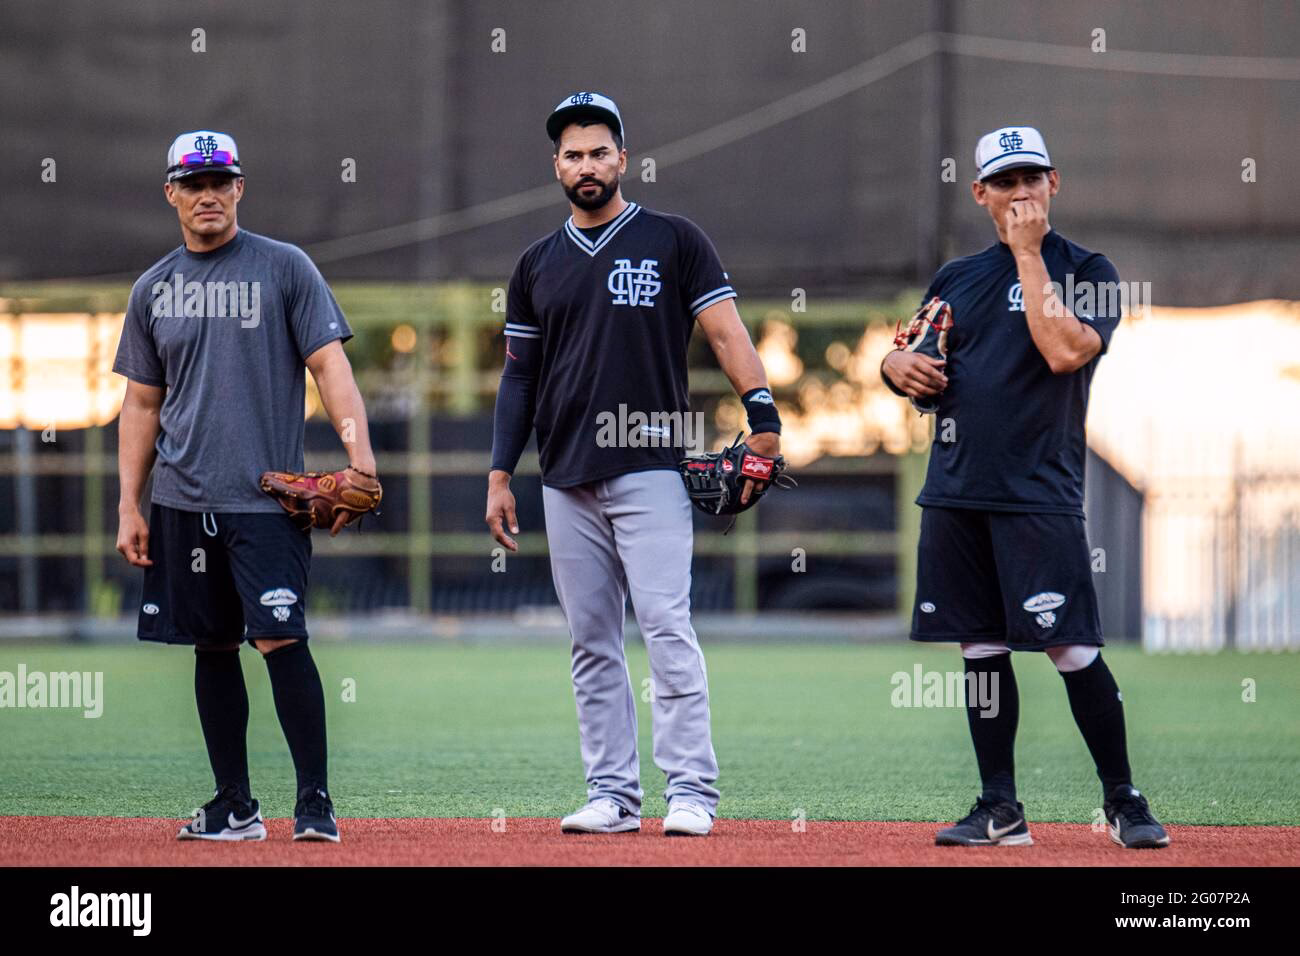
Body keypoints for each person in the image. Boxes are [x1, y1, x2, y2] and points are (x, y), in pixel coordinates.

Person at [485, 93, 781, 837]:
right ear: (556, 166)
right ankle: (613, 794)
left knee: (665, 624)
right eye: (572, 154)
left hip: (651, 460)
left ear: (624, 157)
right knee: (591, 639)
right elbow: (519, 376)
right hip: (564, 472)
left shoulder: (672, 240)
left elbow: (725, 330)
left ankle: (690, 790)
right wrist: (499, 473)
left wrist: (765, 415)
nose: (586, 164)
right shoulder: (536, 264)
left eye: (598, 151)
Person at [882, 126, 1169, 849]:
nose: (1020, 194)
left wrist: (1029, 255)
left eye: (1031, 179)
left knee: (1070, 648)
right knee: (979, 651)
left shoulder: (1086, 270)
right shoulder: (957, 277)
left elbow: (1064, 349)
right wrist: (896, 371)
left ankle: (1123, 800)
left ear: (1054, 184)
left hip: (1037, 492)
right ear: (979, 193)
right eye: (1004, 182)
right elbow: (910, 353)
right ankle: (1000, 808)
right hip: (954, 490)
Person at [113, 130, 377, 843]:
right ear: (171, 193)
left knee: (281, 638)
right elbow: (140, 405)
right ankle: (235, 807)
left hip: (265, 501)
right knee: (213, 647)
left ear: (239, 189)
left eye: (219, 182)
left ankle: (315, 804)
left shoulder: (284, 268)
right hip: (180, 501)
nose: (207, 195)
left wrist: (362, 459)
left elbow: (332, 369)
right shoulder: (154, 288)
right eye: (192, 183)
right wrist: (127, 505)